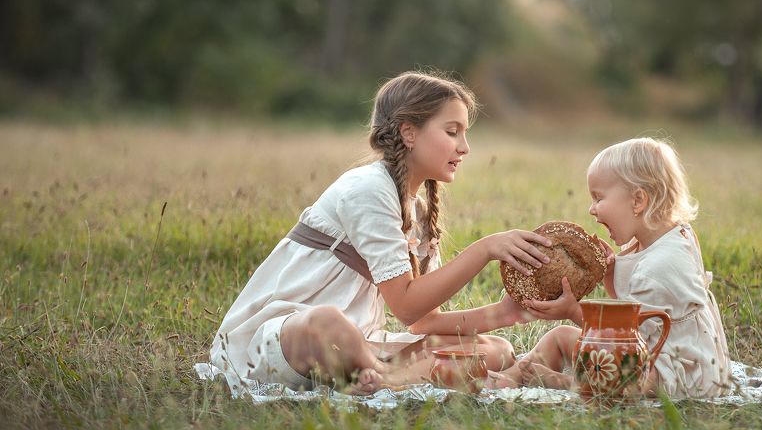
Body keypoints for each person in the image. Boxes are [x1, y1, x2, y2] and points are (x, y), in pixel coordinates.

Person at [209, 71, 550, 393]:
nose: (465, 147)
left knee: (496, 349)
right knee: (328, 321)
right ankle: (389, 377)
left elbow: (423, 323)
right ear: (409, 132)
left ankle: (381, 380)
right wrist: (485, 249)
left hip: (361, 345)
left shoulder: (417, 209)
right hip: (286, 340)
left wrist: (505, 314)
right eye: (452, 131)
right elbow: (405, 306)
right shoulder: (368, 189)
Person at [488, 137, 732, 399]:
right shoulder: (664, 237)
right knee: (559, 337)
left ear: (638, 200)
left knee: (630, 381)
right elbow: (632, 308)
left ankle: (567, 384)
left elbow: (623, 342)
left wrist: (573, 311)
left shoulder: (661, 266)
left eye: (598, 198)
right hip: (652, 352)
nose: (591, 209)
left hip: (675, 376)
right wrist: (609, 274)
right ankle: (515, 375)